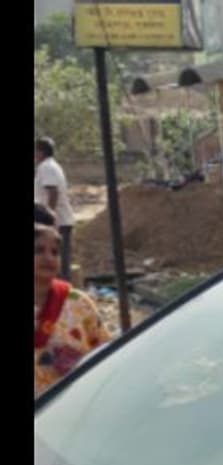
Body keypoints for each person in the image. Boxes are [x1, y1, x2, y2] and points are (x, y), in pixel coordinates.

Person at [35, 220, 108, 398]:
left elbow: (105, 351)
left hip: (75, 401)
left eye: (55, 252)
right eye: (38, 250)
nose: (49, 258)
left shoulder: (78, 303)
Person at [34, 138, 76, 280]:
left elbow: (53, 192)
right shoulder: (48, 166)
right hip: (54, 222)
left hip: (56, 222)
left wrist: (50, 218)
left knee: (58, 263)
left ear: (40, 152)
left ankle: (62, 290)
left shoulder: (47, 167)